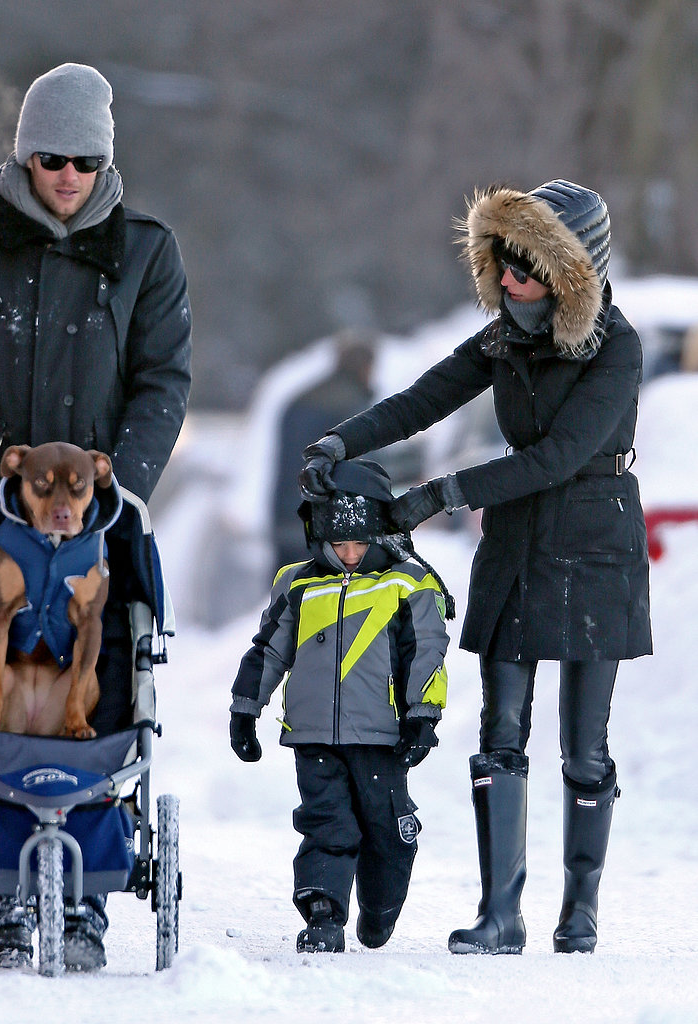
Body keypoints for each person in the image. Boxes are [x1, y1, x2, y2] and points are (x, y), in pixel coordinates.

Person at [299, 180, 652, 955]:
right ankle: (501, 915)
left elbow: (561, 456)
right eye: (502, 260)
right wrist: (339, 443)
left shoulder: (619, 347)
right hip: (519, 542)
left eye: (527, 264)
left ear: (570, 271)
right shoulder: (502, 338)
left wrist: (438, 495)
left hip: (595, 539)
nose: (510, 277)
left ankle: (580, 910)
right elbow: (421, 400)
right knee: (501, 733)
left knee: (584, 746)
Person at [0, 62, 192, 972]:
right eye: (49, 157)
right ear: (24, 155)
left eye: (83, 159)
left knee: (98, 684)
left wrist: (126, 491)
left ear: (105, 161)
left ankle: (87, 893)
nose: (66, 174)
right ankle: (1, 889)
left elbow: (162, 380)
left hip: (99, 524)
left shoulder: (146, 250)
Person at [230, 458, 450, 952]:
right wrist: (246, 708)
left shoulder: (407, 585)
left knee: (385, 832)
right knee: (326, 822)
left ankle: (379, 908)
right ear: (320, 537)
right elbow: (268, 649)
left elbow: (427, 654)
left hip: (381, 736)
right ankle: (324, 913)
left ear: (380, 538)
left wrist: (422, 715)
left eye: (359, 543)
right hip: (313, 736)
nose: (349, 554)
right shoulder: (299, 583)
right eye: (339, 543)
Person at [270, 330, 376, 568]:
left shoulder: (299, 399)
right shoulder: (354, 407)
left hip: (285, 522)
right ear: (366, 367)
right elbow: (366, 473)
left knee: (287, 596)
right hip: (327, 531)